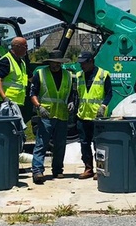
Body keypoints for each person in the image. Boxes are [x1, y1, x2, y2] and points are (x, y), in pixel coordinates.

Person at [28, 55, 74, 184]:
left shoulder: (68, 75)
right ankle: (37, 171)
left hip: (62, 114)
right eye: (53, 63)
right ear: (49, 63)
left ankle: (58, 169)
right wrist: (38, 106)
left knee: (60, 145)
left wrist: (71, 102)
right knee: (42, 143)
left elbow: (70, 93)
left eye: (58, 63)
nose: (56, 65)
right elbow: (33, 93)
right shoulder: (41, 74)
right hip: (46, 115)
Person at [73, 51, 112, 179]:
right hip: (83, 115)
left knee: (99, 144)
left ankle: (100, 170)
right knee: (84, 144)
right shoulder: (79, 76)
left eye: (84, 63)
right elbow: (76, 94)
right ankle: (88, 169)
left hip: (98, 116)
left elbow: (109, 94)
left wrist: (104, 105)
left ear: (91, 62)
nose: (81, 66)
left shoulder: (103, 74)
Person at [0, 36, 29, 113]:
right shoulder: (5, 61)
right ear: (17, 47)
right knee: (3, 124)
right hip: (3, 103)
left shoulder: (22, 63)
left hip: (16, 103)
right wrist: (5, 98)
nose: (27, 49)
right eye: (25, 46)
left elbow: (29, 78)